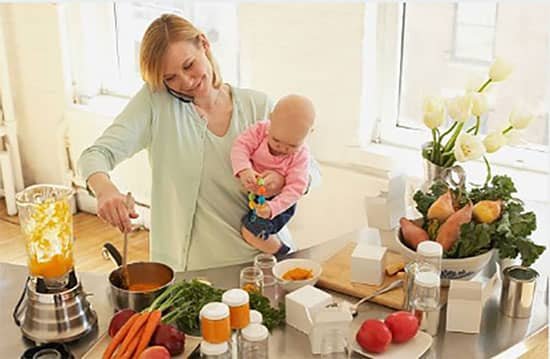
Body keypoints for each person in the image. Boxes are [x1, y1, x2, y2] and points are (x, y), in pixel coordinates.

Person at [77, 14, 318, 271]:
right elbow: (96, 154)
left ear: (204, 44)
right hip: (192, 273)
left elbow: (311, 170)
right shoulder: (155, 103)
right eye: (170, 78)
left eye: (189, 65)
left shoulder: (258, 106)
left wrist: (281, 181)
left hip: (264, 263)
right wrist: (104, 189)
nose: (186, 82)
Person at [231, 95, 315, 256]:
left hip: (281, 202)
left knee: (251, 232)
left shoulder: (301, 154)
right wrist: (244, 170)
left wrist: (273, 208)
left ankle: (284, 253)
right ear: (270, 120)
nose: (282, 148)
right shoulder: (259, 131)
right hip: (257, 195)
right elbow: (240, 147)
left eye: (292, 145)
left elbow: (296, 188)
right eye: (276, 140)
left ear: (308, 134)